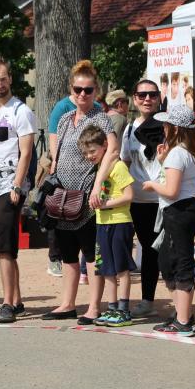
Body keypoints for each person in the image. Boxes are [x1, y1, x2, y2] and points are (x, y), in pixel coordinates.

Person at [44, 60, 117, 325]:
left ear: (96, 91)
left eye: (88, 90)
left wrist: (98, 184)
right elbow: (56, 153)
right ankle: (68, 303)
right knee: (67, 254)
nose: (82, 94)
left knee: (90, 254)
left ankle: (94, 306)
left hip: (87, 199)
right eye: (78, 89)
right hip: (63, 199)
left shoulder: (101, 118)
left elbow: (113, 150)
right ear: (71, 90)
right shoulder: (65, 119)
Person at [0, 56, 37, 323]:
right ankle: (18, 301)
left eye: (3, 79)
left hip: (9, 187)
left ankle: (8, 303)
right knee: (3, 249)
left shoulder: (20, 111)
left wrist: (17, 185)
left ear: (10, 79)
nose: (0, 84)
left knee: (4, 248)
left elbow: (26, 153)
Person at [138, 105, 195, 335]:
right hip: (184, 210)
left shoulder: (178, 153)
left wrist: (151, 185)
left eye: (166, 125)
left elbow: (171, 191)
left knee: (180, 262)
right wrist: (162, 160)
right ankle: (181, 314)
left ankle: (184, 321)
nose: (163, 128)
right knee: (167, 261)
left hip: (181, 211)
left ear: (175, 128)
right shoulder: (185, 151)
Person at [79, 125, 135, 327]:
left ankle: (124, 310)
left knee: (121, 268)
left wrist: (106, 204)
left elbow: (129, 195)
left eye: (92, 151)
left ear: (105, 145)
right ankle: (112, 308)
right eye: (85, 153)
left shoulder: (118, 167)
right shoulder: (99, 170)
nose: (89, 156)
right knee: (107, 268)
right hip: (102, 223)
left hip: (120, 222)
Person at [119, 79, 163, 319]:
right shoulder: (129, 129)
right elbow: (125, 161)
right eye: (142, 95)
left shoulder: (167, 126)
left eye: (152, 95)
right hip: (135, 199)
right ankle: (140, 300)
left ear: (159, 98)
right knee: (140, 248)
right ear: (134, 99)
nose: (147, 99)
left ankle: (156, 301)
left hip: (161, 200)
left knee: (159, 250)